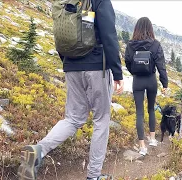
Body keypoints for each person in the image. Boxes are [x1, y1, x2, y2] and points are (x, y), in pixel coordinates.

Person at [17, 0, 124, 179]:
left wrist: (68, 63)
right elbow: (109, 35)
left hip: (71, 65)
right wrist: (117, 72)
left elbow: (62, 35)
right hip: (97, 66)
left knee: (73, 119)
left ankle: (38, 151)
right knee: (101, 120)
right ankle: (93, 175)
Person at [124, 17, 168, 156]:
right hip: (151, 80)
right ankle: (153, 139)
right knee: (151, 109)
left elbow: (128, 63)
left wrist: (135, 72)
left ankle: (142, 146)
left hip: (137, 80)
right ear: (150, 28)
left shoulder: (130, 45)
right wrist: (164, 83)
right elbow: (161, 65)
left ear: (136, 28)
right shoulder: (155, 45)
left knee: (139, 112)